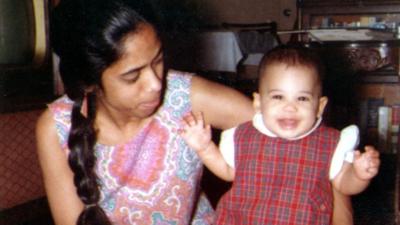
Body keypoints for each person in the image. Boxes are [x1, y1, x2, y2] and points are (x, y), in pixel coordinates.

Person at [35, 0, 255, 225]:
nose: (155, 84)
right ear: (89, 82)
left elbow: (272, 124)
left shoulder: (183, 97)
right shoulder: (57, 128)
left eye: (158, 60)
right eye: (132, 76)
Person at [180, 45, 380, 224]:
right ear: (258, 102)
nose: (290, 108)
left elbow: (344, 184)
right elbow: (227, 171)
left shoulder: (331, 142)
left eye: (302, 98)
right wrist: (205, 148)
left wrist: (360, 175)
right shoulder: (242, 136)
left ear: (319, 107)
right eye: (278, 97)